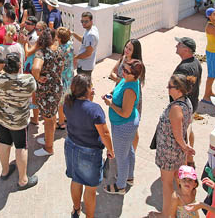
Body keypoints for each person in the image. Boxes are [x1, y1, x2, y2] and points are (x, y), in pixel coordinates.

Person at [0, 53, 38, 190]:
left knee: (4, 142)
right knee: (21, 147)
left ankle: (5, 171)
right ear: (19, 65)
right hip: (19, 121)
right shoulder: (28, 80)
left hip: (1, 118)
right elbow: (33, 90)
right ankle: (23, 180)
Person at [64, 74, 115, 218]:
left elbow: (79, 116)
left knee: (76, 180)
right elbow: (104, 133)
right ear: (87, 89)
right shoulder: (95, 109)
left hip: (71, 146)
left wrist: (88, 100)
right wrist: (110, 150)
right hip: (90, 152)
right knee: (90, 189)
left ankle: (76, 209)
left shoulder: (68, 103)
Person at [152, 74, 197, 217]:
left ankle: (166, 215)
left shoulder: (176, 108)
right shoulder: (187, 102)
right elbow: (187, 126)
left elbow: (177, 135)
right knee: (179, 184)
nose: (167, 89)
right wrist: (185, 148)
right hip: (178, 153)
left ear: (178, 89)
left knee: (167, 186)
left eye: (170, 87)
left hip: (169, 152)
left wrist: (185, 146)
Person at [102, 59, 143, 195]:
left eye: (126, 71)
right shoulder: (127, 80)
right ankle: (129, 177)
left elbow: (125, 113)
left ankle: (120, 186)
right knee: (129, 150)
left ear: (134, 75)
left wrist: (110, 104)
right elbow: (119, 91)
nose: (123, 72)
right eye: (123, 69)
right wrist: (112, 95)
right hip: (125, 124)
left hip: (123, 125)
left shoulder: (130, 88)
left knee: (121, 157)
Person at [32, 28, 66, 157]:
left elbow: (35, 68)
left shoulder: (41, 52)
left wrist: (38, 77)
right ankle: (48, 139)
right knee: (52, 116)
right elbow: (62, 68)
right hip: (57, 87)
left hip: (46, 90)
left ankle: (48, 148)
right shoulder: (59, 51)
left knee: (48, 119)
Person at [172, 37, 202, 113]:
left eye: (179, 44)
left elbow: (177, 91)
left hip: (182, 108)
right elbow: (198, 82)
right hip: (192, 104)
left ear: (186, 49)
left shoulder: (184, 69)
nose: (176, 46)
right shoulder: (196, 62)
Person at [56, 27, 75, 130]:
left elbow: (60, 65)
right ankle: (67, 117)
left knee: (60, 101)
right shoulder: (70, 45)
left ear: (59, 38)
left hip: (63, 76)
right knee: (68, 98)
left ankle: (61, 122)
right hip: (70, 75)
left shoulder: (60, 50)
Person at [72, 12, 98, 77]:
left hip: (84, 67)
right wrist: (73, 34)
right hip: (87, 65)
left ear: (91, 21)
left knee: (82, 86)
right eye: (82, 21)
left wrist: (76, 57)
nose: (83, 23)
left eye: (86, 21)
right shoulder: (92, 28)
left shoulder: (90, 35)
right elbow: (84, 41)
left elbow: (88, 53)